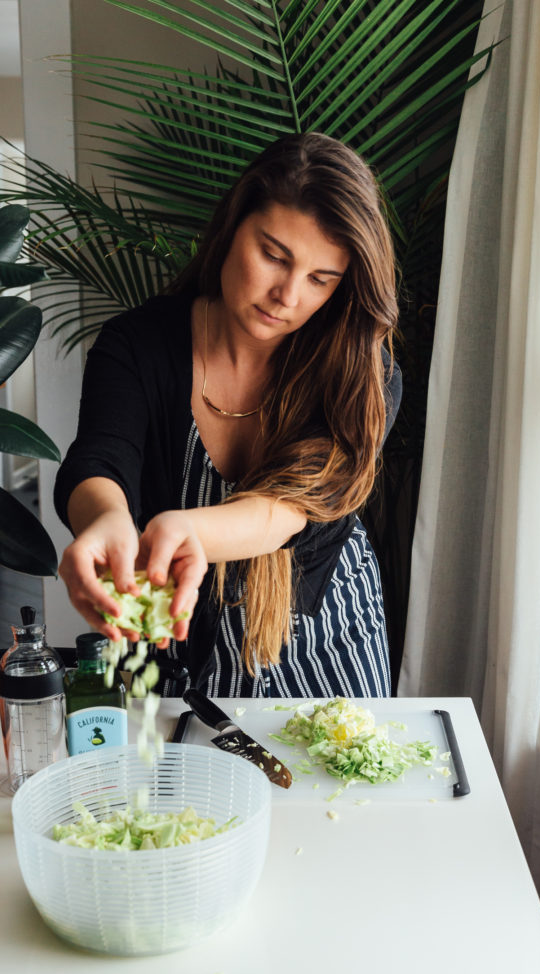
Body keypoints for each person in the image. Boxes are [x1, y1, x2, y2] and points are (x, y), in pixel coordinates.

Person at [55, 132, 401, 699]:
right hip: (179, 635)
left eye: (320, 279)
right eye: (273, 255)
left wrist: (187, 528)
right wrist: (105, 522)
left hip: (323, 630)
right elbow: (102, 457)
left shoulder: (363, 375)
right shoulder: (138, 344)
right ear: (232, 227)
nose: (287, 295)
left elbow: (292, 507)